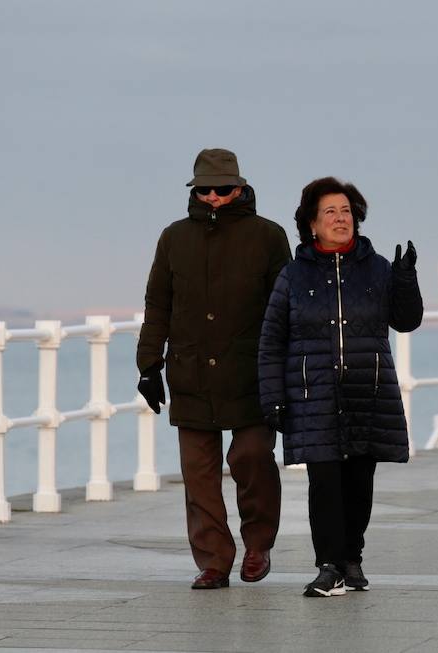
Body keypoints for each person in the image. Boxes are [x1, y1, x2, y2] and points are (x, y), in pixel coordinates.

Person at [258, 176, 423, 597]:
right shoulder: (293, 277)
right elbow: (271, 341)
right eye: (330, 212)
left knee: (358, 483)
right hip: (314, 397)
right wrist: (274, 397)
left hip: (366, 393)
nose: (340, 218)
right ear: (312, 224)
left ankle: (352, 558)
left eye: (346, 211)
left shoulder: (378, 268)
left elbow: (406, 321)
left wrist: (405, 280)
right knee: (325, 482)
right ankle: (329, 563)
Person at [136, 148, 291, 589]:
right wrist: (149, 365)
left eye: (223, 189)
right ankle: (214, 561)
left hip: (252, 374)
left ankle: (258, 543)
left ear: (240, 188)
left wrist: (285, 367)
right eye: (205, 190)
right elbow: (157, 305)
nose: (215, 197)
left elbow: (286, 309)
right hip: (191, 373)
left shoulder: (268, 236)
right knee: (198, 474)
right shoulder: (174, 238)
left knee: (252, 456)